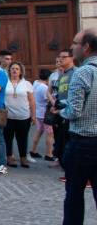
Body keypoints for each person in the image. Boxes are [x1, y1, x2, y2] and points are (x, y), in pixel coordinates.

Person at [60, 28, 97, 224]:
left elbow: (74, 111)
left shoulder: (82, 73)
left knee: (74, 195)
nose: (72, 47)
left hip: (82, 143)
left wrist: (61, 111)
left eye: (75, 43)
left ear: (86, 47)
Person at [51, 49, 76, 173]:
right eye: (59, 57)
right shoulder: (62, 75)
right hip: (60, 114)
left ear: (72, 58)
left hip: (70, 114)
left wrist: (63, 107)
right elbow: (60, 94)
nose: (60, 59)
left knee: (68, 145)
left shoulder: (76, 73)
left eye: (64, 57)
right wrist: (55, 105)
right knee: (59, 146)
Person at [30, 69, 55, 161]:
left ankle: (33, 150)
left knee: (39, 131)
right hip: (45, 114)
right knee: (50, 133)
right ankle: (49, 154)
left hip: (37, 113)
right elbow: (48, 100)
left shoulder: (35, 83)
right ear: (48, 78)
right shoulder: (44, 88)